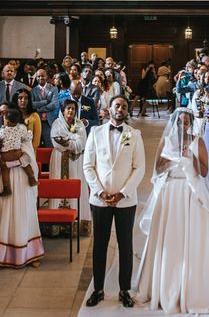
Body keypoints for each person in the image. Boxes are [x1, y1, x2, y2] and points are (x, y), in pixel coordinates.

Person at [135, 107, 209, 313]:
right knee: (170, 239)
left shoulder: (197, 141)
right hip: (169, 193)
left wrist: (190, 156)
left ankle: (194, 286)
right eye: (179, 122)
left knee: (193, 239)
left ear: (190, 124)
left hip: (190, 193)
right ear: (174, 123)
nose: (182, 125)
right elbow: (157, 169)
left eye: (186, 122)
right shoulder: (165, 141)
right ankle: (164, 284)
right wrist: (169, 161)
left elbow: (203, 171)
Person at [83, 97, 146, 309]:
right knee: (99, 245)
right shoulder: (96, 132)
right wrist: (100, 192)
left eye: (124, 106)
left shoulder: (134, 134)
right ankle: (98, 289)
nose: (120, 109)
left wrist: (123, 193)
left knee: (125, 245)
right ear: (109, 109)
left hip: (125, 201)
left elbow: (140, 168)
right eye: (117, 105)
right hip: (100, 200)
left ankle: (124, 290)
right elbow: (88, 166)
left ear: (128, 110)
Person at [0, 105, 44, 268]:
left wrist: (13, 162)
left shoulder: (22, 133)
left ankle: (30, 254)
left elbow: (29, 157)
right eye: (1, 114)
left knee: (24, 213)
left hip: (22, 180)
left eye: (5, 114)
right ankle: (3, 254)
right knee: (6, 212)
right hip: (6, 179)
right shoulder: (2, 133)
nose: (3, 117)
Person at [49, 99, 90, 232]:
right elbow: (56, 142)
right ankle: (57, 225)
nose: (71, 111)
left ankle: (77, 223)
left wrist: (68, 143)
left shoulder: (80, 125)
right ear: (63, 110)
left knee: (75, 185)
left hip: (76, 161)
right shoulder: (57, 123)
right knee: (58, 186)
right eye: (68, 108)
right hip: (60, 159)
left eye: (73, 109)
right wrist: (72, 141)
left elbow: (81, 143)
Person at [0, 108, 38, 196]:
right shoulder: (20, 129)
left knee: (5, 171)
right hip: (17, 153)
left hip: (6, 155)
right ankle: (31, 178)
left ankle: (7, 188)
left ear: (7, 121)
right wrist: (30, 131)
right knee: (26, 164)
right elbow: (27, 137)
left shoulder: (3, 130)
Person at [31, 68, 59, 147]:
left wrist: (40, 108)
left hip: (50, 121)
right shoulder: (33, 90)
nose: (40, 78)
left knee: (49, 145)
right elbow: (32, 104)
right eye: (38, 76)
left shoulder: (53, 89)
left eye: (42, 76)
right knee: (37, 145)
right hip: (37, 121)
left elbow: (54, 104)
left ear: (46, 77)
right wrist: (45, 102)